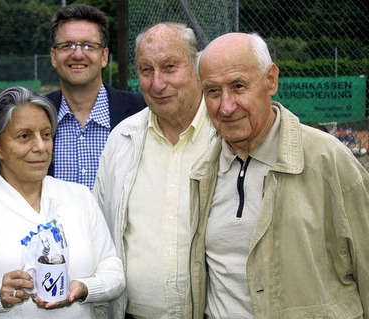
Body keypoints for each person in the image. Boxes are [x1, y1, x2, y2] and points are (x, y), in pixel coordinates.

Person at [188, 32, 369, 318]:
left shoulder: (327, 160)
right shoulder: (204, 172)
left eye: (238, 86)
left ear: (271, 80)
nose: (226, 106)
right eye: (213, 91)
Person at [0, 86, 125, 318]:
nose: (40, 146)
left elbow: (114, 273)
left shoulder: (80, 197)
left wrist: (84, 288)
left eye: (46, 134)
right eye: (25, 136)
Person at [93, 23, 216, 319]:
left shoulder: (223, 135)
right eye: (146, 70)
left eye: (169, 67)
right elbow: (99, 228)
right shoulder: (122, 138)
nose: (157, 83)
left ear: (197, 66)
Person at [47, 3, 146, 190]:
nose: (77, 54)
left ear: (104, 56)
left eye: (88, 46)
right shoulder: (36, 113)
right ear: (54, 56)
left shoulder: (141, 111)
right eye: (67, 46)